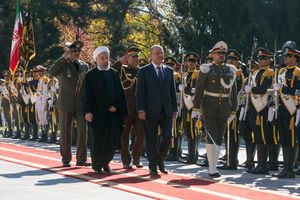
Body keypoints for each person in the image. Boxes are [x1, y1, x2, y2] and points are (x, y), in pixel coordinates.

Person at [193, 41, 238, 177]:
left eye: (223, 53)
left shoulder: (230, 70)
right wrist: (196, 107)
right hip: (209, 106)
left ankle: (214, 165)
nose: (221, 55)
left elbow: (233, 92)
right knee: (211, 135)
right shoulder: (206, 69)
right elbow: (199, 90)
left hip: (224, 107)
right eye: (218, 53)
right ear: (212, 54)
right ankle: (212, 168)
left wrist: (233, 110)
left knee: (219, 136)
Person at [83, 46, 128, 174]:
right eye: (102, 58)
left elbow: (120, 93)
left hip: (112, 113)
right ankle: (97, 165)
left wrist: (117, 106)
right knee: (98, 141)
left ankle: (106, 162)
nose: (104, 61)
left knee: (112, 140)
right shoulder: (90, 75)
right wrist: (88, 111)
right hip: (97, 114)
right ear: (96, 59)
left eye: (106, 58)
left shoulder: (113, 73)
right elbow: (87, 95)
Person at [136, 45, 177, 175]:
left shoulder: (169, 71)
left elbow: (172, 92)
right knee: (151, 140)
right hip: (150, 110)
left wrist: (175, 109)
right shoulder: (143, 71)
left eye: (161, 53)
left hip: (166, 110)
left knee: (167, 137)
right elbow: (140, 92)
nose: (160, 55)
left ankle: (161, 160)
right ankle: (152, 165)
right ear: (151, 55)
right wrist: (141, 109)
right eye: (157, 53)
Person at [48, 40, 90, 167]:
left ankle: (81, 158)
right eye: (74, 51)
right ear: (68, 52)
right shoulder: (62, 65)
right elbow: (51, 72)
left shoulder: (84, 66)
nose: (77, 53)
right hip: (65, 103)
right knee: (65, 132)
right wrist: (63, 58)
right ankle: (66, 158)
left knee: (83, 130)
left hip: (80, 103)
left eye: (78, 51)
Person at [111, 46, 145, 169]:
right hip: (125, 107)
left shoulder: (142, 71)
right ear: (128, 58)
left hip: (139, 109)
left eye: (137, 57)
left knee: (141, 135)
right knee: (124, 136)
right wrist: (120, 61)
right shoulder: (122, 69)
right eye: (133, 56)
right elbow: (111, 70)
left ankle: (136, 158)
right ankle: (126, 160)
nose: (136, 59)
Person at [272, 42, 300, 178]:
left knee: (291, 139)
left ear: (295, 57)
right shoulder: (282, 71)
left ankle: (290, 168)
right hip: (282, 108)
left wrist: (283, 89)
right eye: (285, 55)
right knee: (283, 139)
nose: (286, 58)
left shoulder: (297, 71)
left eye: (289, 55)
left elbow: (298, 91)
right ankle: (285, 167)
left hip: (292, 109)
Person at [245, 48, 274, 174]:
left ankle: (263, 165)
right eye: (259, 58)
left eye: (263, 58)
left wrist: (250, 89)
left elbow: (263, 89)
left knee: (262, 136)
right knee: (257, 136)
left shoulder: (269, 72)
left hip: (262, 107)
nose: (260, 60)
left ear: (268, 60)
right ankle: (259, 163)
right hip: (254, 108)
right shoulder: (257, 72)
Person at [218, 49, 244, 170]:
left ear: (237, 62)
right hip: (224, 107)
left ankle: (232, 161)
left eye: (234, 60)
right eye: (229, 59)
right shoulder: (224, 72)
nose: (231, 61)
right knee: (227, 134)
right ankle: (229, 158)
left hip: (233, 108)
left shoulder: (237, 74)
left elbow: (235, 92)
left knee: (232, 134)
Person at [181, 52, 201, 164]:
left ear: (196, 63)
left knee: (193, 131)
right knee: (188, 130)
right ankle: (191, 153)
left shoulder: (197, 74)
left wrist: (187, 89)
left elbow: (197, 90)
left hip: (193, 106)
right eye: (189, 61)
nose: (191, 63)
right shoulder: (185, 74)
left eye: (193, 61)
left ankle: (193, 155)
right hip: (186, 105)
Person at [1, 70, 12, 137]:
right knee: (5, 117)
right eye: (5, 76)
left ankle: (10, 131)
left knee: (9, 117)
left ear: (10, 76)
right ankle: (6, 130)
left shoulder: (11, 83)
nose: (6, 77)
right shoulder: (3, 84)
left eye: (7, 76)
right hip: (3, 101)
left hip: (8, 101)